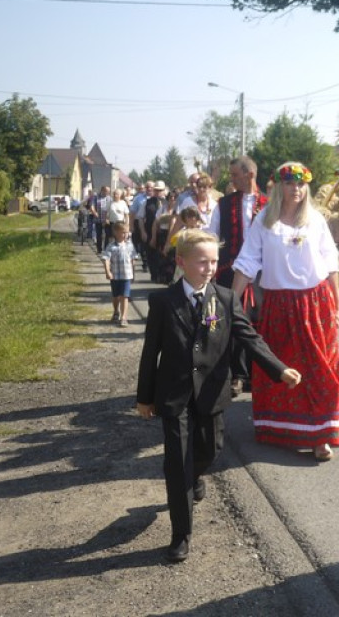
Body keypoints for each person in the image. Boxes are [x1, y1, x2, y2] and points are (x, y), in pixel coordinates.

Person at [137, 229, 302, 563]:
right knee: (176, 464)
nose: (209, 268)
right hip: (174, 395)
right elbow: (150, 351)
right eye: (202, 262)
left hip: (212, 393)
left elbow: (249, 338)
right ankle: (180, 534)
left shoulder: (226, 298)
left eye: (214, 261)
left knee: (210, 450)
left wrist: (278, 368)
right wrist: (145, 396)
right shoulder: (163, 302)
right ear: (181, 262)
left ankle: (196, 475)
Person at [232, 162, 339, 461]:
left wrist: (337, 305)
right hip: (279, 305)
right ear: (279, 186)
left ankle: (322, 437)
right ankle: (280, 429)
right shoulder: (264, 222)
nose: (296, 189)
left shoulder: (316, 220)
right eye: (290, 183)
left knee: (320, 368)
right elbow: (247, 262)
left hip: (316, 303)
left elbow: (331, 263)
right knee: (280, 367)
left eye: (300, 183)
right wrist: (229, 303)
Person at [208, 157, 268, 394]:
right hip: (230, 273)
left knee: (260, 323)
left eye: (234, 175)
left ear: (249, 175)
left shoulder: (270, 204)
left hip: (263, 275)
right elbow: (213, 237)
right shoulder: (223, 204)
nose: (231, 179)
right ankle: (238, 374)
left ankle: (259, 373)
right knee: (234, 322)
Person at [100, 220, 138, 327]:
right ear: (116, 233)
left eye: (127, 232)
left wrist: (133, 273)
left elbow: (133, 259)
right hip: (115, 276)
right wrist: (107, 271)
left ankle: (124, 317)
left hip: (126, 275)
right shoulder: (111, 246)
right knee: (116, 296)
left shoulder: (130, 245)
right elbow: (106, 259)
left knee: (124, 296)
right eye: (123, 232)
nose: (126, 235)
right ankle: (116, 311)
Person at [93, 186, 112, 254]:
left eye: (109, 191)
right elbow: (92, 206)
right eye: (107, 191)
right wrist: (94, 212)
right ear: (102, 190)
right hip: (98, 219)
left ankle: (106, 248)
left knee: (107, 234)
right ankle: (99, 248)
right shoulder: (96, 197)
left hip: (106, 219)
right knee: (99, 235)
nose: (108, 192)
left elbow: (111, 208)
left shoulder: (110, 198)